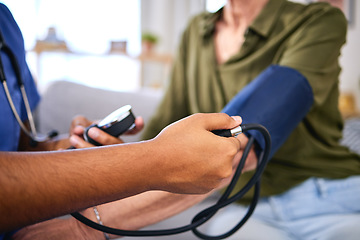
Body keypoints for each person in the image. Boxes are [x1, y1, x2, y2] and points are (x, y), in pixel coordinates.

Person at [11, 0, 360, 240]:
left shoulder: (317, 20)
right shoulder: (197, 31)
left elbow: (243, 148)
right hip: (241, 203)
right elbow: (162, 137)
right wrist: (105, 152)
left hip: (323, 191)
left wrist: (94, 224)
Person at [0, 3, 246, 238]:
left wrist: (63, 148)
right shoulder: (195, 30)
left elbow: (20, 143)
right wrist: (157, 158)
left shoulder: (6, 23)